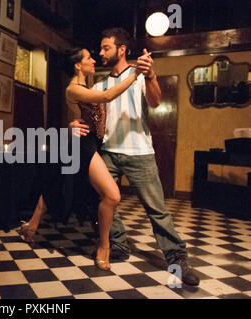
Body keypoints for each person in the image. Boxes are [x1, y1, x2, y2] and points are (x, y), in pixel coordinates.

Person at [72, 28, 199, 286]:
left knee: (157, 210)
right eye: (100, 48)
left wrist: (150, 75)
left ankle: (176, 257)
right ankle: (117, 243)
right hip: (108, 151)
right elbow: (87, 117)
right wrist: (74, 123)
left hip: (140, 152)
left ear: (122, 49)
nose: (101, 52)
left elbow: (154, 102)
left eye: (106, 47)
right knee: (105, 199)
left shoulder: (140, 75)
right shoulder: (100, 84)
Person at [20, 47, 149, 270]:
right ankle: (104, 246)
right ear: (77, 65)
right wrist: (135, 73)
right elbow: (107, 96)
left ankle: (30, 227)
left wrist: (73, 124)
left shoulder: (87, 86)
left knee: (57, 184)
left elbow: (91, 113)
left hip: (91, 144)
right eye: (88, 58)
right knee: (112, 195)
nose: (93, 60)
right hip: (81, 146)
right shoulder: (73, 89)